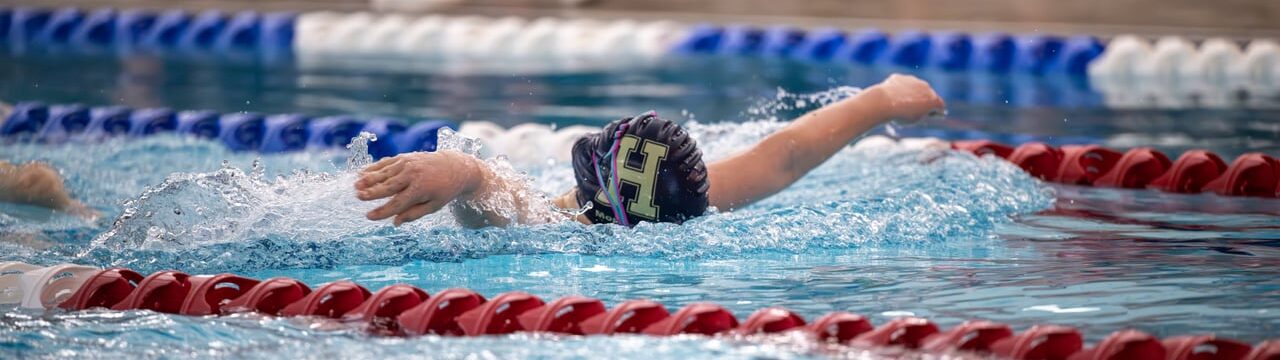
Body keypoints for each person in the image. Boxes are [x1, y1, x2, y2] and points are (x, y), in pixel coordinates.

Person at [355, 73, 945, 227]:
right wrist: (883, 100)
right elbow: (783, 157)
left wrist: (459, 168)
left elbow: (496, 197)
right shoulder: (689, 210)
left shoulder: (556, 224)